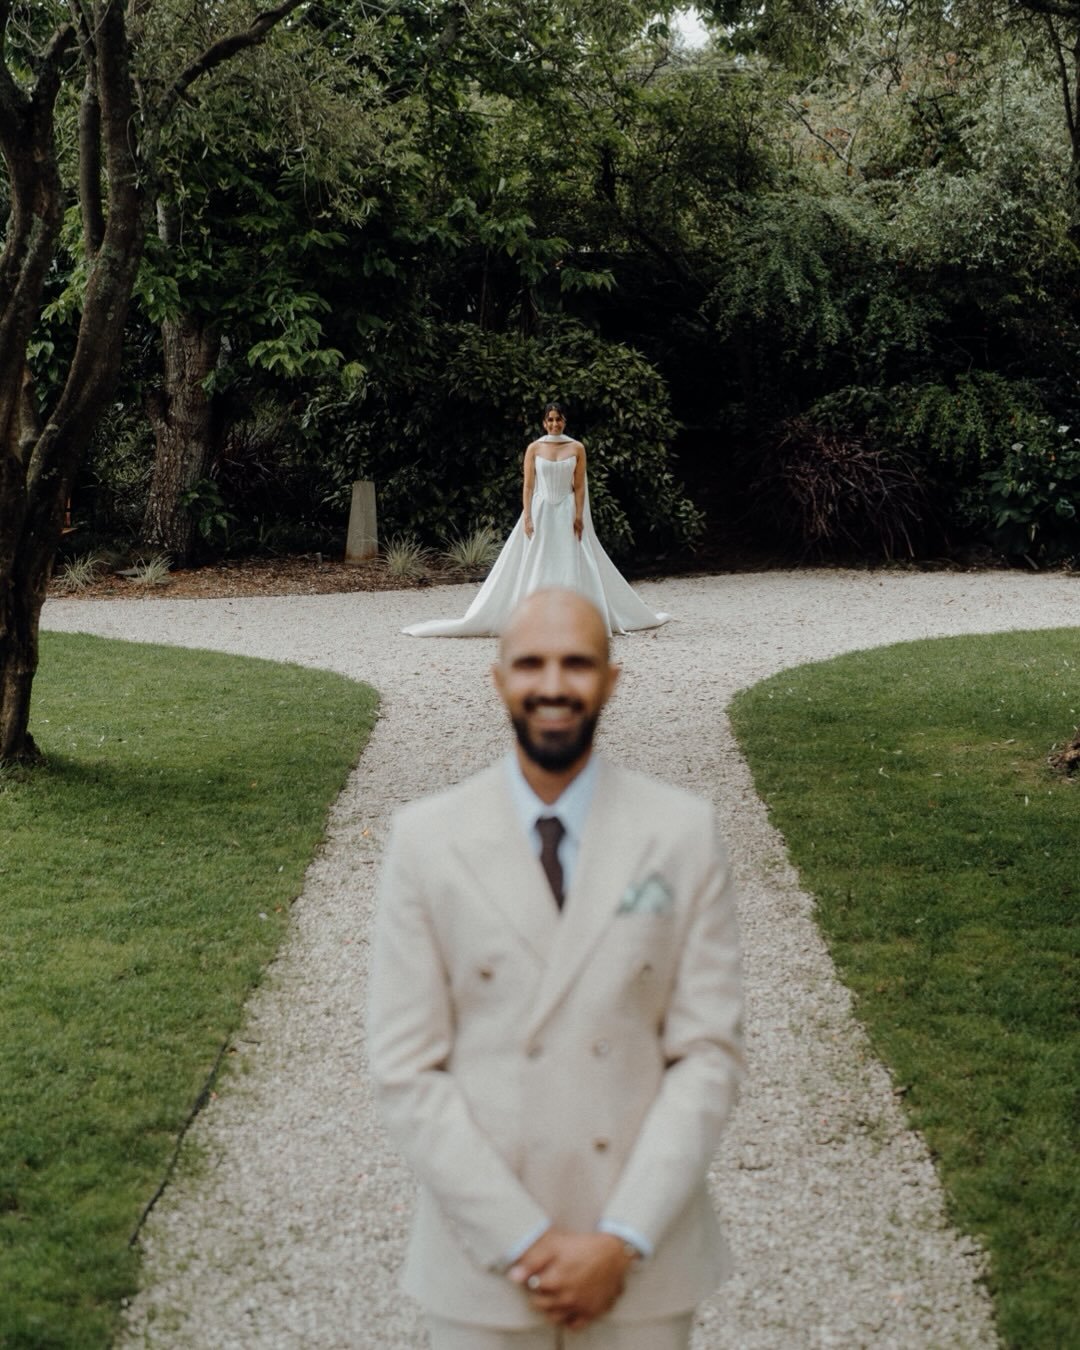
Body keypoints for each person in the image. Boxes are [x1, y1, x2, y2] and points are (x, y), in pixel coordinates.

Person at [369, 588, 744, 1349]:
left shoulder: (682, 834)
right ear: (499, 679)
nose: (552, 684)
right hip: (482, 1267)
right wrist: (523, 1239)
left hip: (643, 1264)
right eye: (530, 663)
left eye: (576, 663)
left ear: (610, 680)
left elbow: (708, 1055)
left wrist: (622, 1238)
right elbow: (405, 1067)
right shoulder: (426, 841)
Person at [402, 404, 670, 638]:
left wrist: (579, 515)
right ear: (544, 422)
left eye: (558, 419)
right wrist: (528, 516)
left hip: (566, 510)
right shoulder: (534, 448)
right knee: (538, 561)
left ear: (565, 421)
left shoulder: (576, 447)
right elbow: (528, 486)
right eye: (550, 419)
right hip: (541, 510)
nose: (554, 424)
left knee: (569, 560)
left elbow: (579, 486)